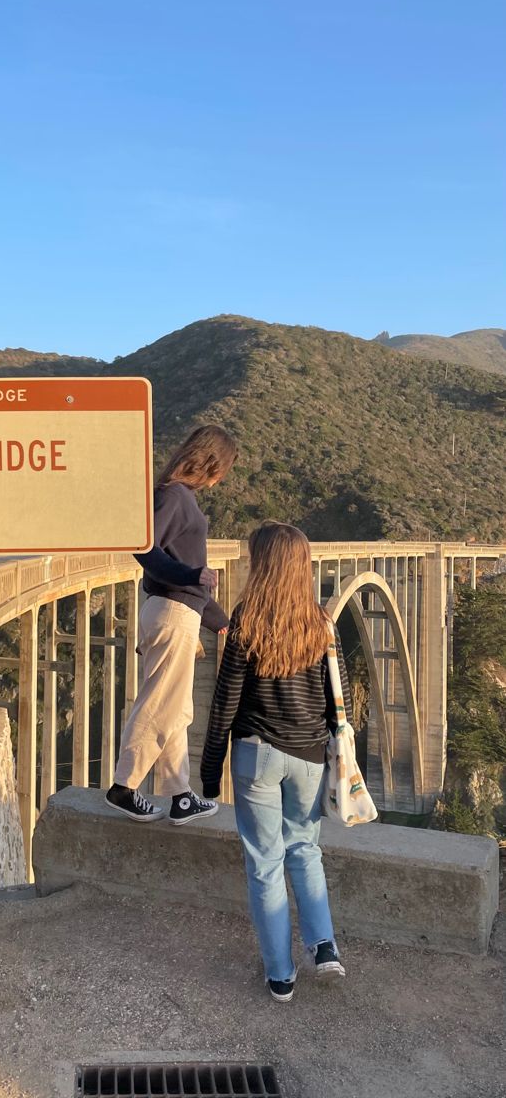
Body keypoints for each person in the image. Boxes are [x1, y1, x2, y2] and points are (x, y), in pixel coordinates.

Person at [200, 521, 352, 1002]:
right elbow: (338, 693)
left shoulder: (247, 619)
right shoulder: (321, 620)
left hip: (257, 755)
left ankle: (281, 975)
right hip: (308, 756)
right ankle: (323, 946)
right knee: (306, 850)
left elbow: (225, 698)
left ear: (262, 564)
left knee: (265, 864)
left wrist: (209, 768)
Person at [106, 424, 237, 825]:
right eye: (223, 469)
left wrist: (220, 622)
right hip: (171, 613)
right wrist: (189, 575)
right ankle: (123, 787)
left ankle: (181, 796)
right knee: (160, 703)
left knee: (175, 709)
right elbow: (144, 547)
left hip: (179, 612)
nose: (221, 480)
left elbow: (188, 581)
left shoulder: (180, 496)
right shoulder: (174, 496)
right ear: (211, 462)